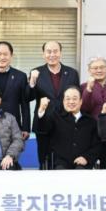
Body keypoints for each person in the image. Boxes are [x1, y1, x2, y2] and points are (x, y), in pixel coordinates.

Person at [29, 41, 80, 169]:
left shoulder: (72, 73)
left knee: (65, 160)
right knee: (44, 160)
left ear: (60, 53)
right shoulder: (36, 72)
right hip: (44, 122)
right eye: (49, 51)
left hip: (66, 122)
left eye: (55, 51)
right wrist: (32, 82)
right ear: (43, 54)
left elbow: (76, 97)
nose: (52, 54)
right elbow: (28, 97)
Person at [36, 87, 100, 170]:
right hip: (60, 164)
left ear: (81, 101)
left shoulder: (90, 121)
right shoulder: (55, 117)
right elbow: (43, 128)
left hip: (83, 164)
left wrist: (86, 158)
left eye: (74, 99)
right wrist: (41, 110)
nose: (71, 102)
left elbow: (97, 145)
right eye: (68, 99)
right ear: (63, 101)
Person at [80, 56, 106, 169]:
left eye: (102, 67)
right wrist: (89, 89)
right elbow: (84, 109)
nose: (99, 70)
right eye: (95, 68)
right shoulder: (83, 87)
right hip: (90, 136)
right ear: (89, 70)